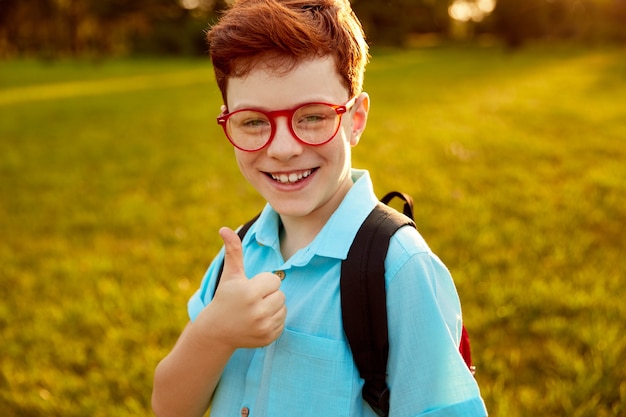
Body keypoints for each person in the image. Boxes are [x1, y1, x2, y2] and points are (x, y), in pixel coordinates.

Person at [152, 0, 488, 416]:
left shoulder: (398, 268)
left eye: (312, 117)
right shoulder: (238, 255)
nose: (283, 149)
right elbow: (169, 408)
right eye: (254, 121)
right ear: (228, 122)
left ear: (356, 119)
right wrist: (214, 333)